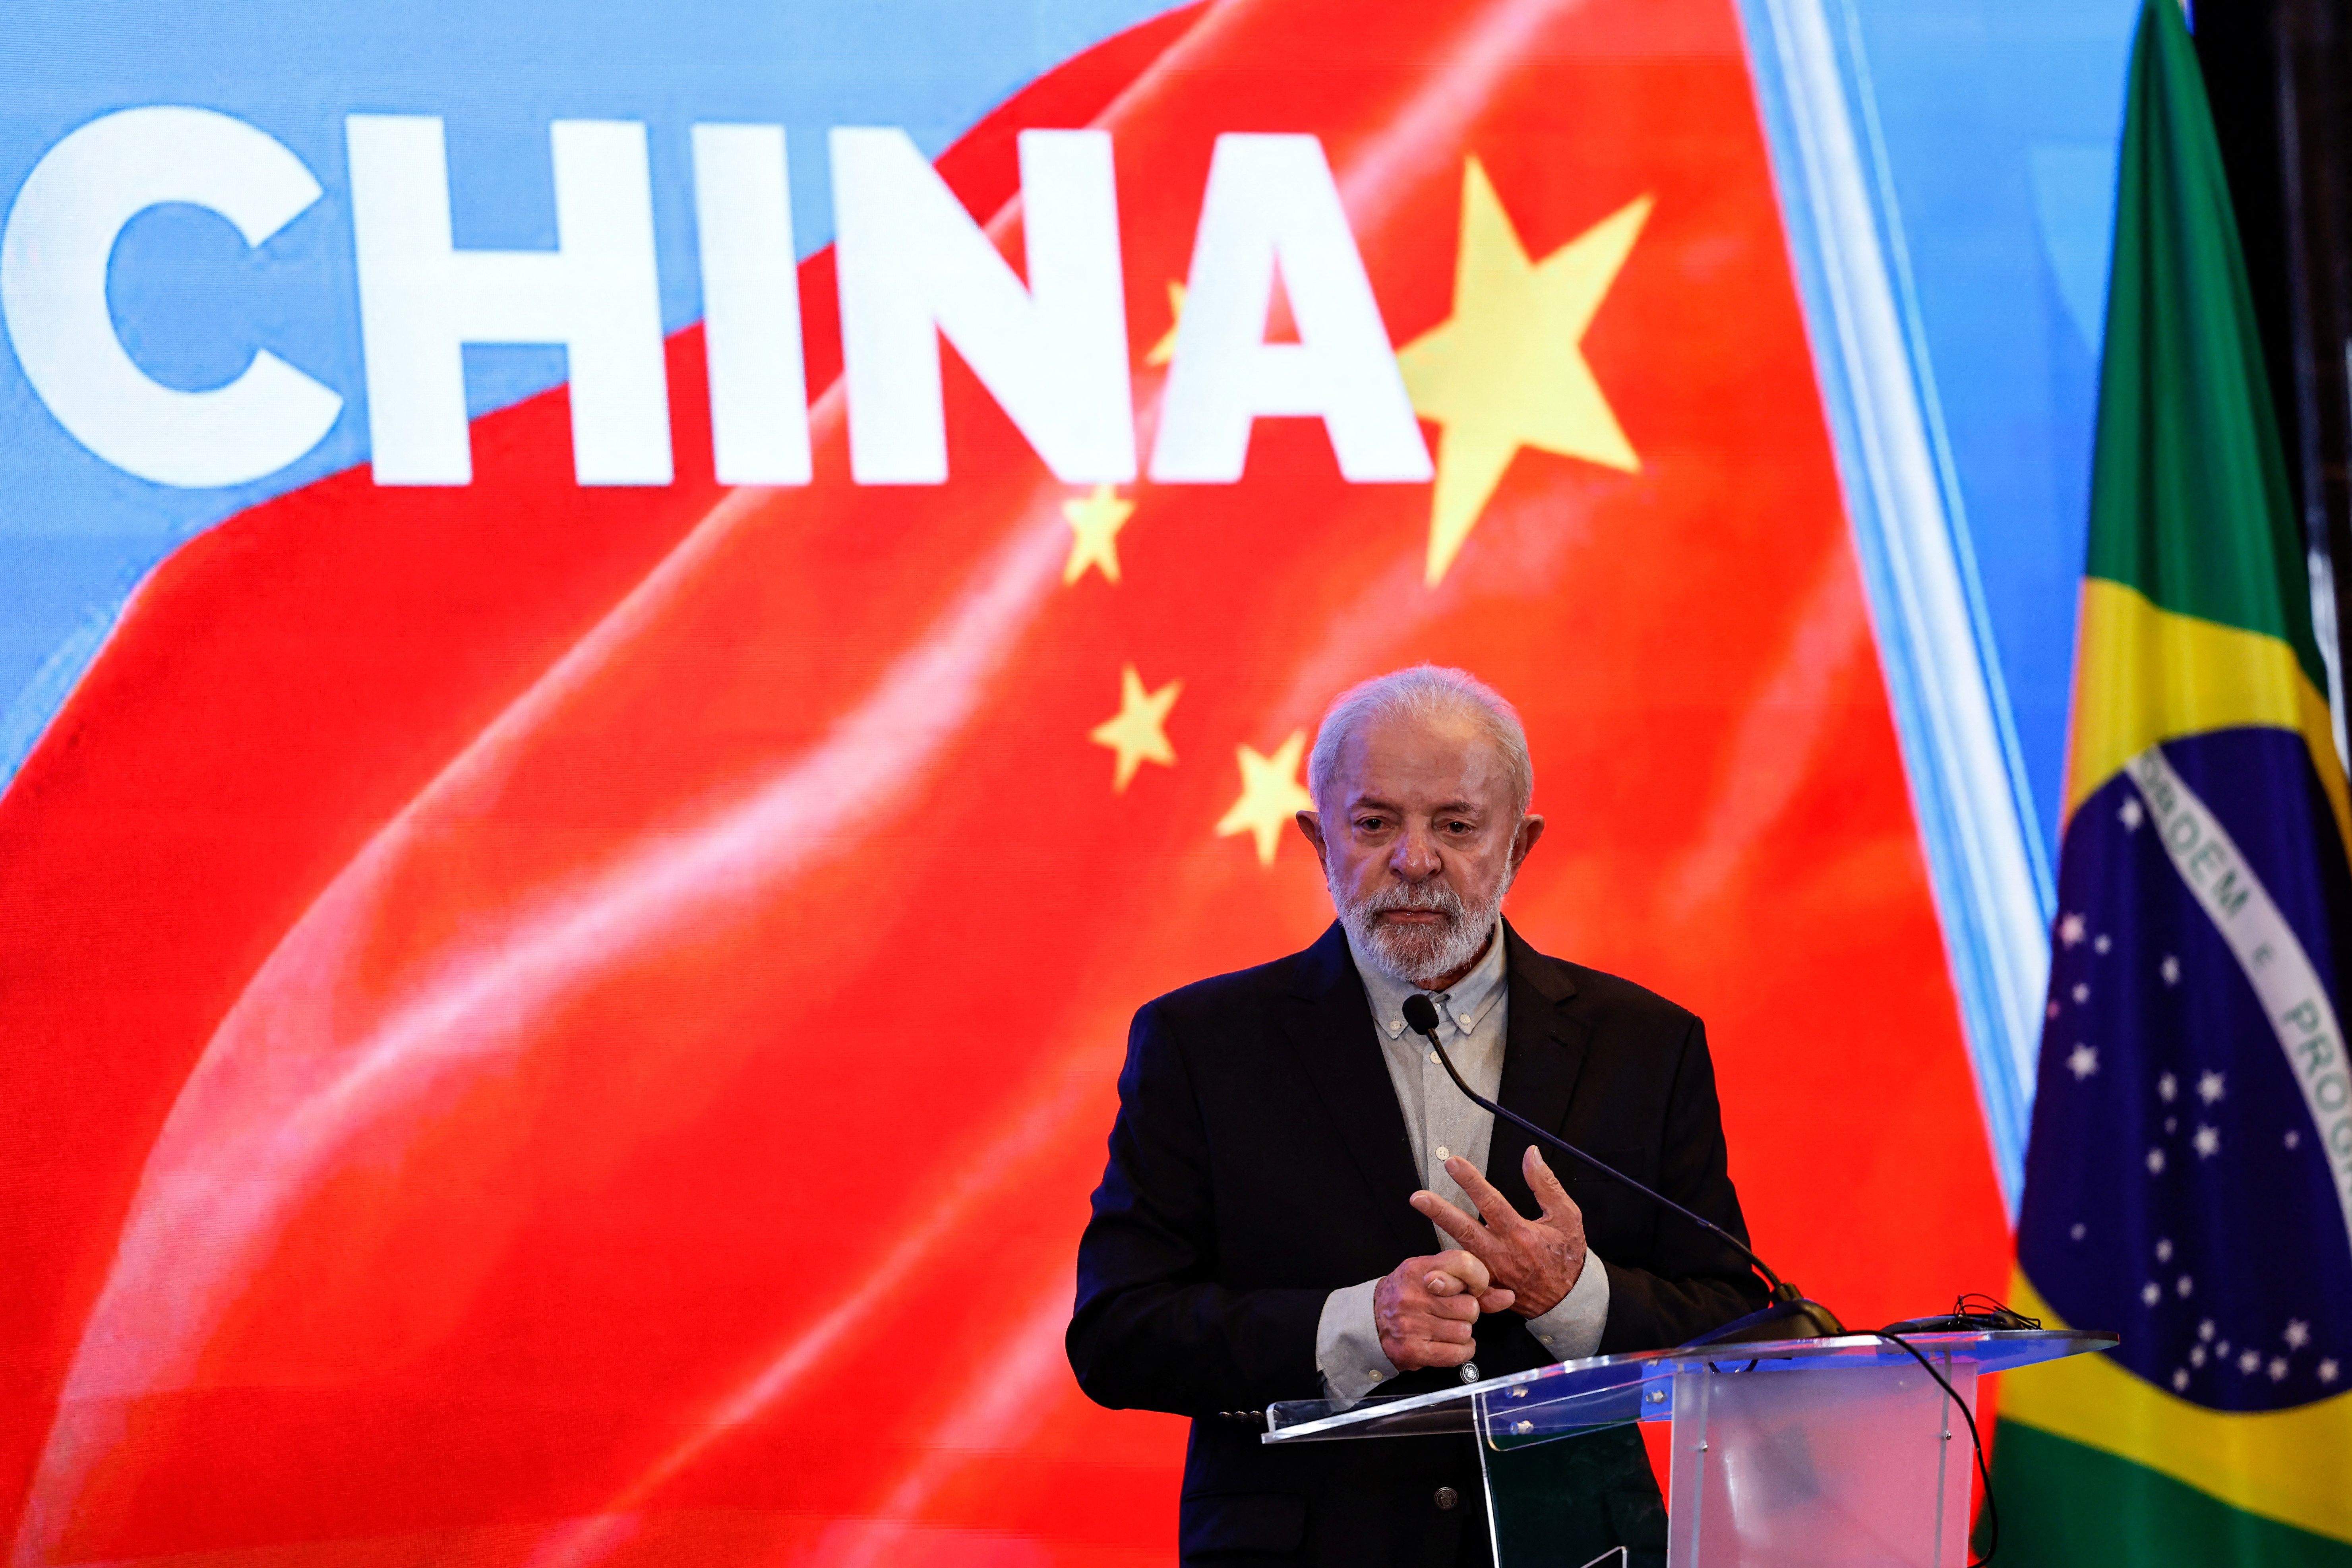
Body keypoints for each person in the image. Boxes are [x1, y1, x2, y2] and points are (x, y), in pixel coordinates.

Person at [1067, 666, 1767, 1566]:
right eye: (1373, 823)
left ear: (1519, 846)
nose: (1414, 859)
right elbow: (1118, 1333)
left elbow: (1735, 1319)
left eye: (1455, 824)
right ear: (1318, 842)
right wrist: (1357, 1324)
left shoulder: (1643, 1042)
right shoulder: (1201, 1044)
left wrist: (1575, 1297)